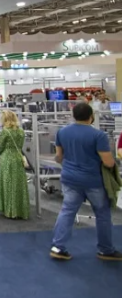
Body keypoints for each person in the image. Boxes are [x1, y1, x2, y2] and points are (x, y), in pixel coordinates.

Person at [50, 103, 121, 261]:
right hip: (93, 181)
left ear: (73, 115)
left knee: (67, 211)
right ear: (91, 116)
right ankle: (105, 250)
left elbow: (58, 157)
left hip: (69, 178)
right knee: (102, 214)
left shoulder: (62, 132)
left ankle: (58, 247)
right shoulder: (98, 135)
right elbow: (108, 162)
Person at [0, 111, 30, 220]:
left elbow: (0, 149)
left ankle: (10, 211)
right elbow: (20, 145)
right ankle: (21, 210)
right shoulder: (20, 131)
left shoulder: (5, 131)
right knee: (18, 184)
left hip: (7, 160)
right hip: (18, 158)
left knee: (8, 184)